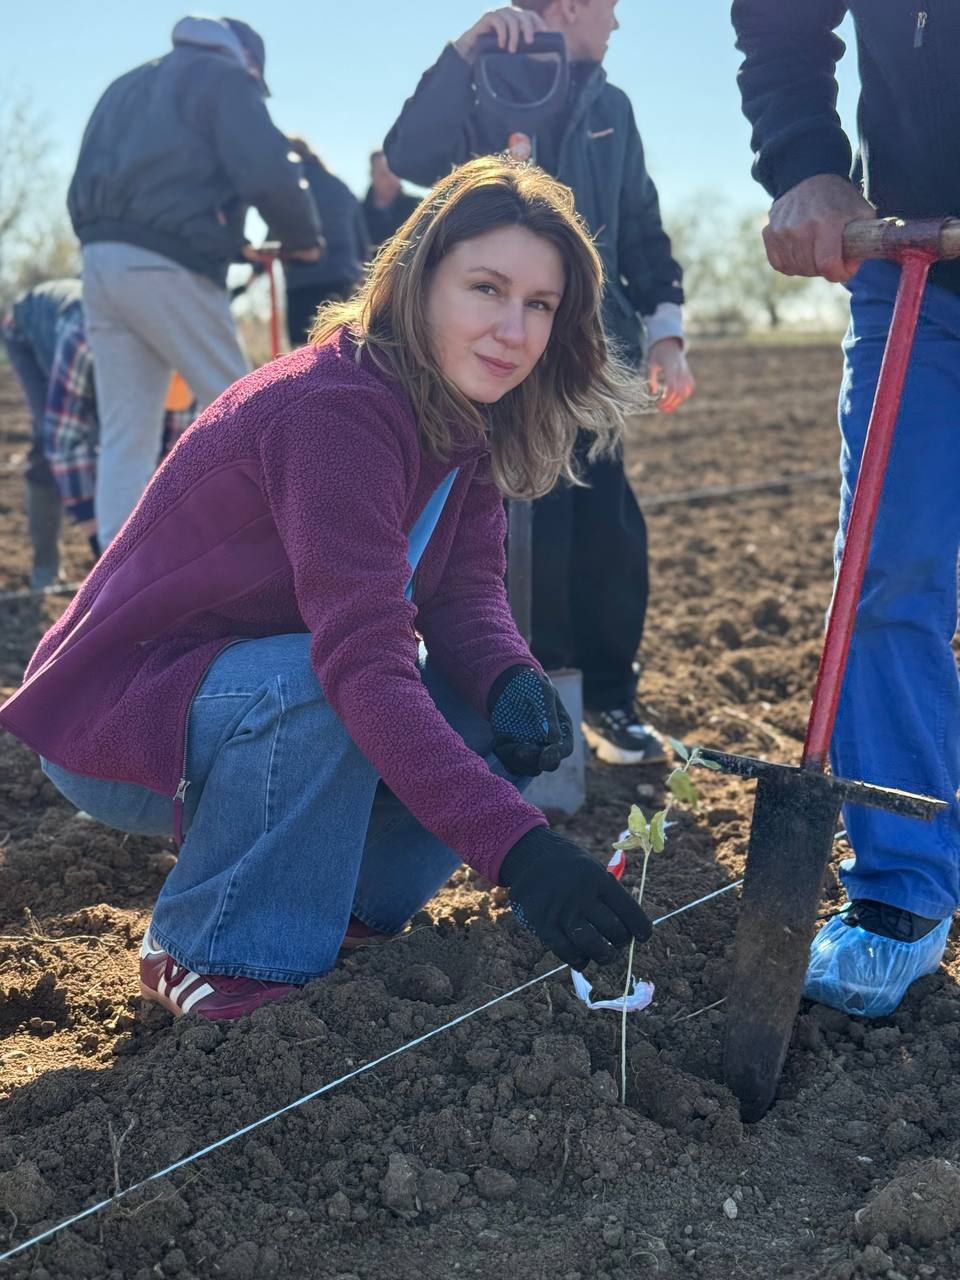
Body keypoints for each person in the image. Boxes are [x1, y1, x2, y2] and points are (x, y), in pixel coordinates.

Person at [0, 157, 652, 1022]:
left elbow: (465, 598)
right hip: (126, 716)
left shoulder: (463, 416)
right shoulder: (334, 410)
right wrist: (519, 852)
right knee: (326, 680)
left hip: (257, 692)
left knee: (488, 701)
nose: (513, 329)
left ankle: (347, 906)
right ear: (419, 281)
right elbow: (361, 660)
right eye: (486, 288)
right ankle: (208, 945)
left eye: (540, 305)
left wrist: (511, 682)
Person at [384, 2, 696, 767]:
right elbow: (410, 153)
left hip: (591, 355)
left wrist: (667, 331)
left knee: (607, 531)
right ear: (570, 6)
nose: (616, 24)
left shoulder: (611, 106)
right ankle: (523, 705)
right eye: (610, 8)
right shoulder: (484, 80)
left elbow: (641, 225)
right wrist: (463, 51)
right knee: (512, 538)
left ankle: (612, 700)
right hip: (495, 358)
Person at [732, 1, 960, 1017]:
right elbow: (780, 19)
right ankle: (901, 893)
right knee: (883, 572)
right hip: (916, 263)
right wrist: (805, 161)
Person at [67, 15, 323, 551]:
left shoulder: (128, 84)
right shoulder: (225, 78)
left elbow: (145, 189)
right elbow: (267, 169)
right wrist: (301, 237)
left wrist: (228, 244)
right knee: (246, 405)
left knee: (126, 434)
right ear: (248, 60)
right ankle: (292, 548)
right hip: (167, 267)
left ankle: (115, 577)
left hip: (100, 261)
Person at [2, 281, 78, 588]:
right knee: (49, 434)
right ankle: (45, 566)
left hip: (63, 335)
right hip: (25, 331)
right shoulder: (79, 334)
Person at [283, 137, 370, 345]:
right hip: (343, 280)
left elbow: (279, 234)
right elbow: (362, 245)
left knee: (302, 353)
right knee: (345, 349)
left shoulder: (290, 188)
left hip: (302, 282)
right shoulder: (341, 187)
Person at [363, 150, 421, 251]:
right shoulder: (358, 213)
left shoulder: (418, 207)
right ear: (372, 175)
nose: (391, 178)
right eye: (383, 174)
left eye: (394, 172)